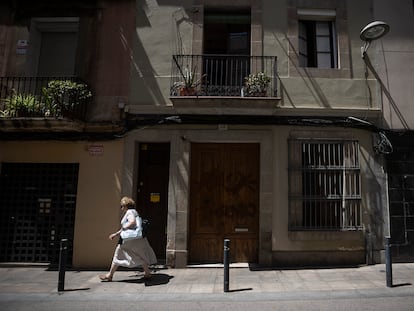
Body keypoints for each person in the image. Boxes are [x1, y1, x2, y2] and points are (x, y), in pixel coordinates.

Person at [99, 196, 157, 282]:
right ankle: (147, 273)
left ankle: (110, 275)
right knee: (138, 255)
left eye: (122, 206)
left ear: (126, 205)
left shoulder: (129, 212)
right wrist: (116, 234)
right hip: (136, 239)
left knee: (117, 253)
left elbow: (132, 222)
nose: (121, 208)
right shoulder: (134, 211)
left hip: (129, 240)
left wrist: (124, 227)